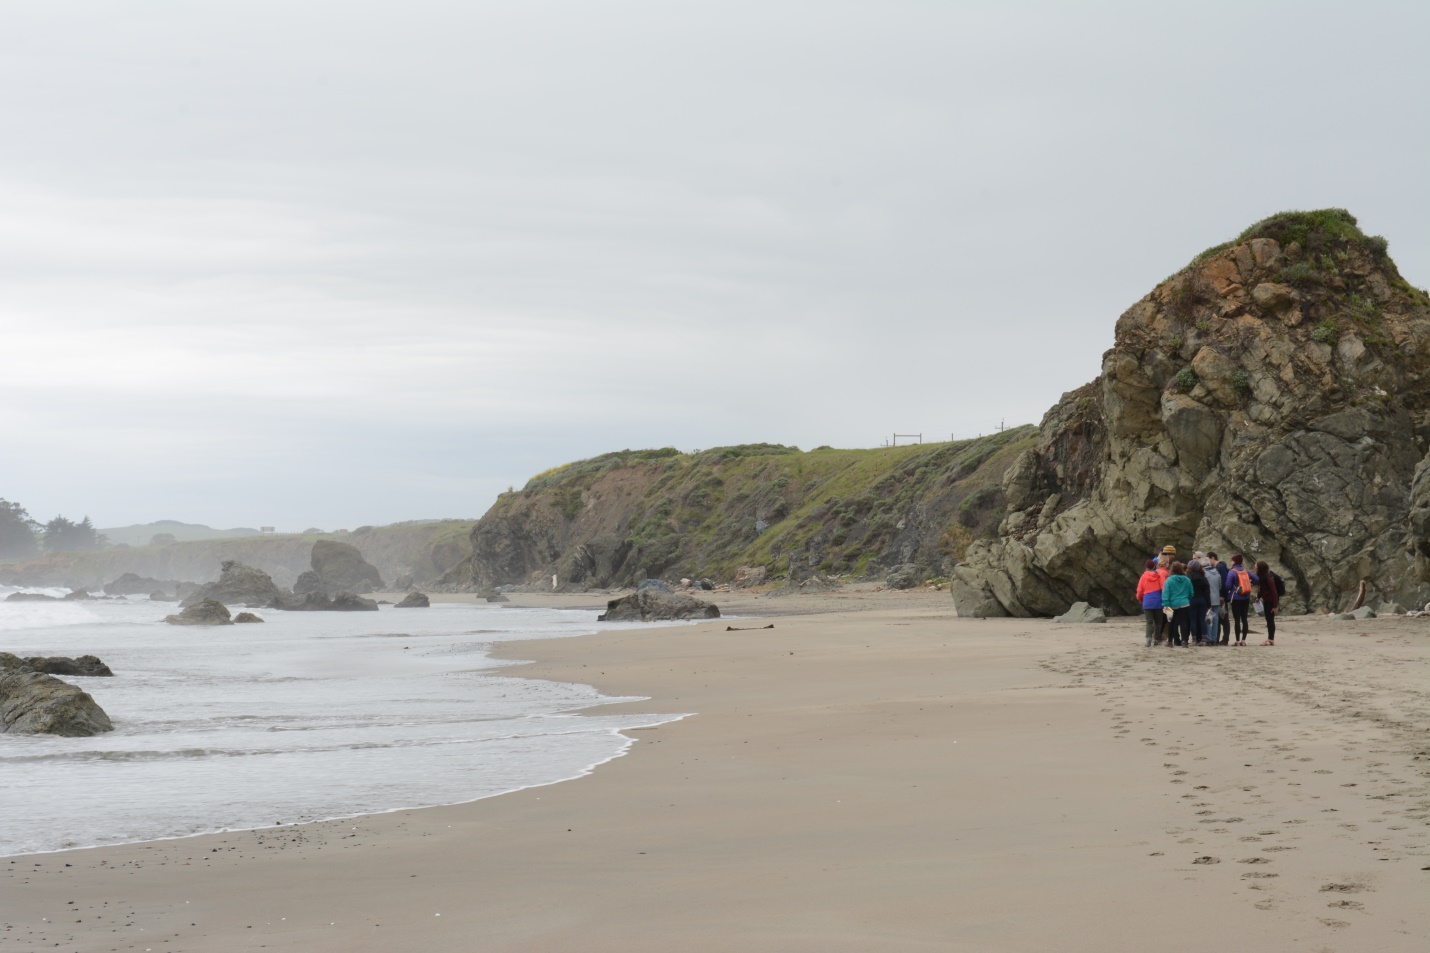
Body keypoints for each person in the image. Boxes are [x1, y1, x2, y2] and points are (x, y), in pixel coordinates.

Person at [1226, 555, 1259, 645]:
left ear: (1234, 562)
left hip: (1236, 598)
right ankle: (1243, 640)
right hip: (1246, 597)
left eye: (1231, 561)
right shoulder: (1246, 571)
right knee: (1244, 619)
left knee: (1237, 619)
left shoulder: (1232, 572)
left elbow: (1228, 585)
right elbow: (1256, 578)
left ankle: (1237, 640)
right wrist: (1251, 584)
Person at [1161, 561, 1192, 647]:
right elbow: (1191, 592)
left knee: (1171, 622)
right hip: (1184, 604)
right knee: (1184, 623)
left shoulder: (1169, 580)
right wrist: (1187, 599)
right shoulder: (1187, 579)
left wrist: (1165, 604)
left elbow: (1165, 593)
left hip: (1171, 605)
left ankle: (1170, 641)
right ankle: (1184, 641)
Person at [1136, 559, 1165, 647]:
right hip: (1158, 601)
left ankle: (1148, 639)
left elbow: (1140, 590)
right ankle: (1157, 639)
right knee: (1158, 622)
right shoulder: (1159, 576)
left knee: (1149, 622)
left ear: (1146, 567)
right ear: (1154, 566)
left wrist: (1140, 599)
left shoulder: (1143, 577)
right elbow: (1164, 589)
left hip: (1147, 601)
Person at [1207, 552, 1231, 644]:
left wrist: (1223, 595)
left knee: (1223, 617)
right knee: (1218, 617)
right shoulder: (1217, 568)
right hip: (1218, 596)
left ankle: (1225, 639)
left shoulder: (1220, 567)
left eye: (1208, 559)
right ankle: (1216, 638)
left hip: (1221, 597)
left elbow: (1224, 582)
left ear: (1213, 558)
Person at [1256, 560, 1280, 646]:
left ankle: (1271, 639)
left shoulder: (1269, 577)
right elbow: (1261, 588)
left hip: (1270, 601)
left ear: (1260, 568)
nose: (1255, 568)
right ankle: (1270, 638)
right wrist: (1258, 597)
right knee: (1268, 619)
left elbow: (1274, 592)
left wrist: (1275, 606)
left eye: (1256, 567)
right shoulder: (1262, 577)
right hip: (1266, 600)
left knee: (1270, 620)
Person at [1204, 552, 1224, 646]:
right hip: (1216, 598)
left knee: (1208, 618)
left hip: (1208, 599)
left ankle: (1209, 638)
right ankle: (1214, 639)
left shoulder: (1204, 574)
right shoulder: (1217, 573)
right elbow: (1220, 586)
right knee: (1216, 619)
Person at [1188, 564, 1210, 644]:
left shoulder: (1189, 578)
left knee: (1193, 620)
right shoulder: (1203, 578)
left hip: (1192, 600)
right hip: (1202, 600)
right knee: (1202, 619)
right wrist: (1208, 604)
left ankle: (1194, 639)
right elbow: (1207, 592)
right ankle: (1204, 638)